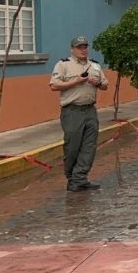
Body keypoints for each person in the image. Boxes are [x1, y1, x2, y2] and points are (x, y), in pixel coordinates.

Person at [49, 36, 108, 192]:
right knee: (72, 146)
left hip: (90, 110)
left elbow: (105, 85)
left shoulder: (94, 65)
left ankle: (80, 178)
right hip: (72, 111)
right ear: (72, 49)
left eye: (85, 47)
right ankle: (71, 177)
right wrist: (75, 81)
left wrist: (98, 83)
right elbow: (54, 85)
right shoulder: (63, 65)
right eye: (79, 47)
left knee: (89, 146)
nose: (83, 50)